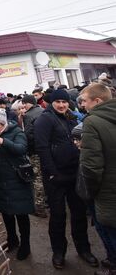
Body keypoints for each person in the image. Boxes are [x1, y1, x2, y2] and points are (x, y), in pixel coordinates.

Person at [34, 89, 98, 269]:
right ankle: (58, 253)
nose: (62, 105)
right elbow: (42, 148)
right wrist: (53, 172)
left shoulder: (71, 117)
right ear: (51, 103)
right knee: (58, 216)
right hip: (55, 176)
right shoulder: (44, 120)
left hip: (74, 173)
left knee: (78, 214)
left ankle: (84, 249)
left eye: (64, 101)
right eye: (58, 102)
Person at [0, 108, 34, 260]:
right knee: (6, 214)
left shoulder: (16, 132)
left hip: (17, 180)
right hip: (0, 182)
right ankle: (12, 239)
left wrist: (3, 141)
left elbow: (21, 149)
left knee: (21, 214)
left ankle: (25, 245)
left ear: (3, 122)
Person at [79, 83, 116, 274]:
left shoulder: (92, 122)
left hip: (107, 192)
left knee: (111, 234)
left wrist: (90, 192)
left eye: (85, 101)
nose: (82, 105)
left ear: (97, 101)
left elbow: (92, 167)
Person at [21, 94, 47, 218]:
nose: (23, 106)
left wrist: (27, 150)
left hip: (35, 151)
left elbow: (29, 134)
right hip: (47, 149)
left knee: (37, 178)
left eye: (25, 103)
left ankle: (39, 207)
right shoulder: (43, 111)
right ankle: (47, 202)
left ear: (29, 103)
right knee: (46, 176)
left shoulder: (28, 115)